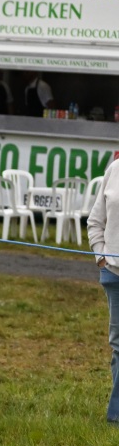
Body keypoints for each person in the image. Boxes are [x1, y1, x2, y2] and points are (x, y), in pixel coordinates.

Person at [89, 165, 119, 424]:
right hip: (114, 274)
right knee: (118, 345)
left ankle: (115, 415)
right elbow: (95, 221)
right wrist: (101, 258)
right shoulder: (115, 170)